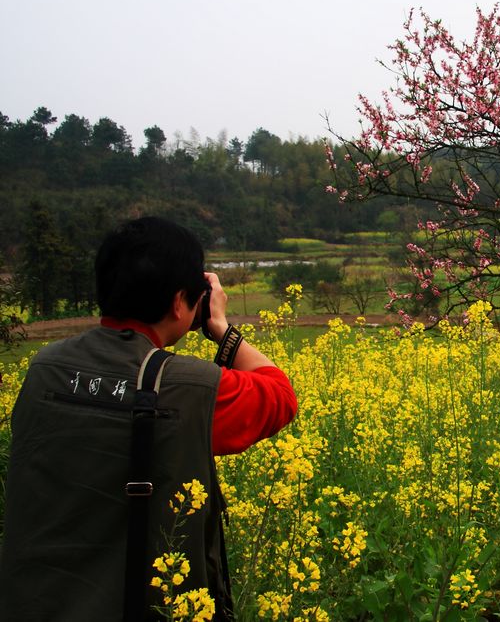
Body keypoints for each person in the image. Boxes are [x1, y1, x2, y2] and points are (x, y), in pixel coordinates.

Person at [0, 216, 297, 621]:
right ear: (180, 302)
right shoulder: (188, 389)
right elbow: (280, 396)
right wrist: (221, 328)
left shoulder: (44, 369)